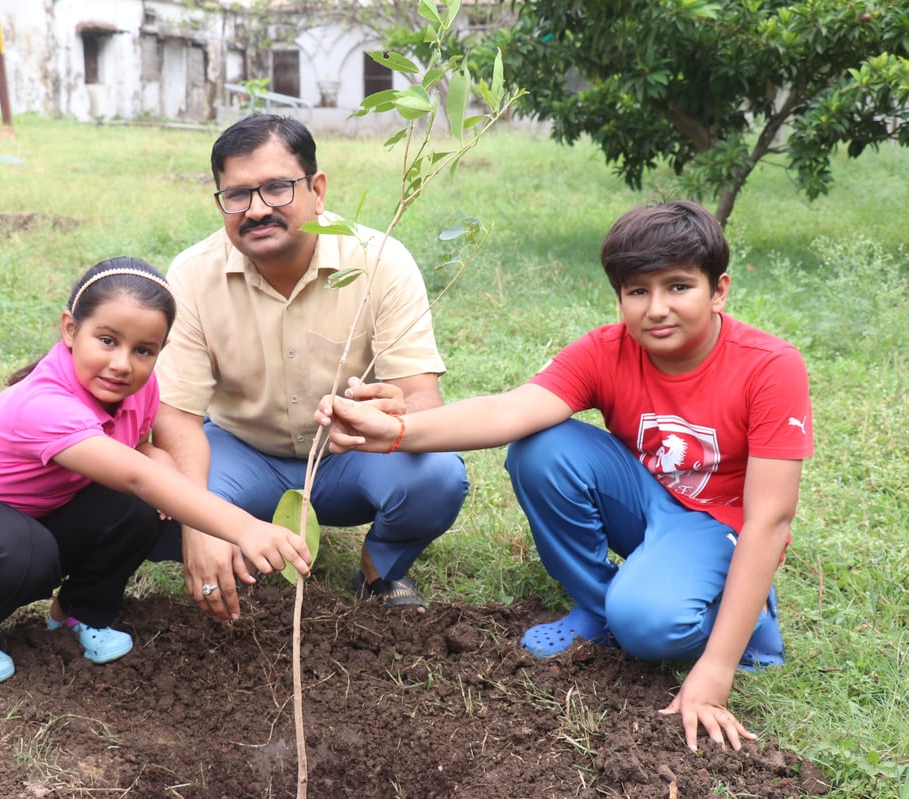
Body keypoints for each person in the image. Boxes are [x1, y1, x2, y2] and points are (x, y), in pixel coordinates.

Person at [316, 201, 813, 751]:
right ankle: (599, 607)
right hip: (648, 503)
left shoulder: (769, 366)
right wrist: (394, 432)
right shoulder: (607, 351)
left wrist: (714, 675)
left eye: (678, 287)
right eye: (637, 291)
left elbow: (770, 518)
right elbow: (508, 412)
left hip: (719, 524)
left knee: (647, 625)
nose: (656, 309)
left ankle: (742, 620)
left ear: (718, 290)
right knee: (541, 446)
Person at [0, 257, 311, 686]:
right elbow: (136, 474)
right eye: (106, 340)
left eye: (143, 350)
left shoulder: (139, 389)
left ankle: (79, 612)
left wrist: (160, 459)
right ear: (69, 329)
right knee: (27, 551)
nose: (122, 364)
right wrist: (243, 527)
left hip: (42, 516)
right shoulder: (43, 404)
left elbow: (135, 453)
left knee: (136, 510)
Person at [152, 114, 469, 620]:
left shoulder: (380, 261)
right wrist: (200, 522)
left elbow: (422, 400)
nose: (256, 210)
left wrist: (397, 417)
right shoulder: (192, 275)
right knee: (155, 499)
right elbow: (175, 416)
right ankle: (234, 543)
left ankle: (379, 567)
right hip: (241, 453)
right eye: (237, 195)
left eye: (277, 188)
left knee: (436, 476)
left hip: (350, 455)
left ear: (317, 189)